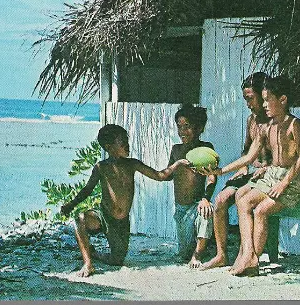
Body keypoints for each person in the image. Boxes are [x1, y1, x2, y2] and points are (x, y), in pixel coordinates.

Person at [202, 75, 300, 276]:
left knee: (259, 210)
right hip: (272, 176)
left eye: (268, 100)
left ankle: (251, 259)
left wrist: (284, 184)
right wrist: (221, 171)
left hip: (290, 179)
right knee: (242, 200)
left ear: (282, 99)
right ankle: (248, 256)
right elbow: (249, 156)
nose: (265, 104)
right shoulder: (264, 127)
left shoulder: (294, 124)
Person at [60, 124, 188, 277]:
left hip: (120, 223)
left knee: (117, 260)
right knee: (80, 219)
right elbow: (87, 190)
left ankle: (95, 254)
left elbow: (159, 176)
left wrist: (177, 163)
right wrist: (70, 205)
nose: (127, 145)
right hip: (103, 215)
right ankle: (88, 263)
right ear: (109, 147)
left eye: (127, 141)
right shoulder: (101, 167)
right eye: (122, 142)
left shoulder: (132, 164)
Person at [200, 72, 272, 271]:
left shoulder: (274, 122)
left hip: (268, 176)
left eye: (251, 98)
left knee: (242, 198)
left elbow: (282, 158)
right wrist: (241, 168)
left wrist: (265, 169)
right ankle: (221, 255)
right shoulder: (252, 121)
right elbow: (247, 152)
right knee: (220, 200)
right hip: (250, 174)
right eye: (245, 99)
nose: (248, 103)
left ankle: (246, 255)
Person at [164, 104, 218, 268]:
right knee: (183, 253)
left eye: (186, 127)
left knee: (206, 214)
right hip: (181, 208)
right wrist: (176, 165)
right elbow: (167, 176)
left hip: (197, 203)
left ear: (199, 127)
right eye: (179, 127)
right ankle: (200, 247)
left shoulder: (206, 148)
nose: (182, 132)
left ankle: (198, 254)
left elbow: (211, 177)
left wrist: (206, 199)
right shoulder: (176, 150)